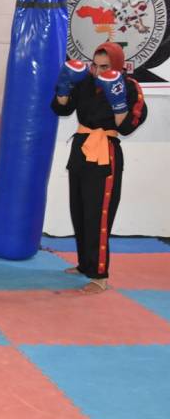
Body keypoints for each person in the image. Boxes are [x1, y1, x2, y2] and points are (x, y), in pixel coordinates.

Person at [52, 42, 147, 294]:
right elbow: (62, 108)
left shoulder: (130, 87)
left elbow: (126, 127)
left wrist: (118, 103)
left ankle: (99, 275)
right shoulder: (85, 82)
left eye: (104, 66)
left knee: (99, 214)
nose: (97, 71)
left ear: (118, 66)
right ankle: (85, 264)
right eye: (94, 65)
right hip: (81, 148)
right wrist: (63, 86)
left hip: (105, 152)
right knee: (79, 210)